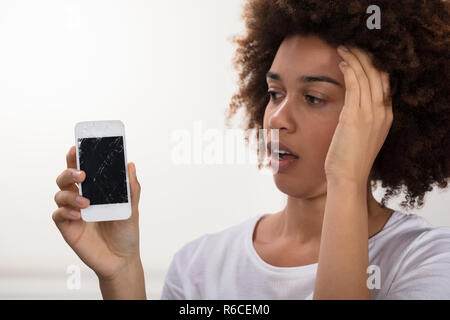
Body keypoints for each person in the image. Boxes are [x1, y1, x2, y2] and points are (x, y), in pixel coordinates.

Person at [52, 0, 450, 299]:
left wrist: (346, 178)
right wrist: (121, 273)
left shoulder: (424, 261)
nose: (277, 118)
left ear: (381, 117)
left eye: (313, 97)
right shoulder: (199, 266)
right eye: (275, 93)